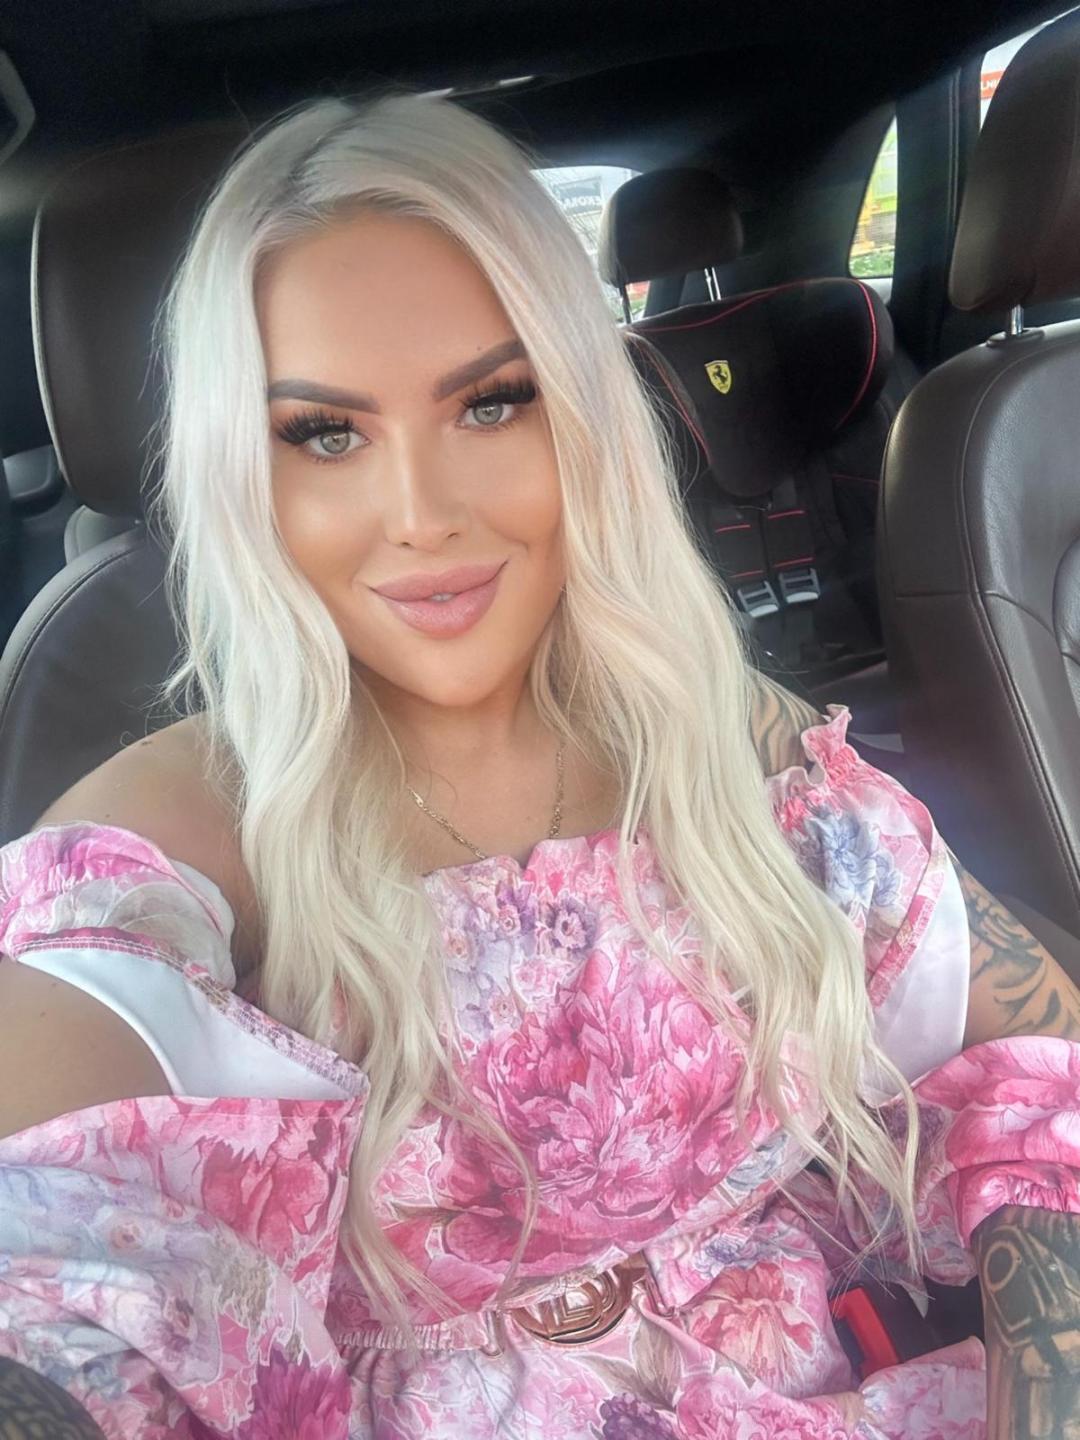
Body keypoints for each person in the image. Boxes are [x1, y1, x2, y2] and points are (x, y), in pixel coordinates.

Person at [0, 93, 1078, 1440]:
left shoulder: (720, 727)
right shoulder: (163, 843)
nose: (422, 516)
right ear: (242, 469)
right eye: (325, 432)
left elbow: (1035, 1054)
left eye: (493, 404)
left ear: (584, 415)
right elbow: (56, 1262)